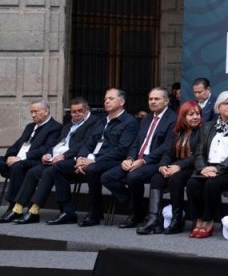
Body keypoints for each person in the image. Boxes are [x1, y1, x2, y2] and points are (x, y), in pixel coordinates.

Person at [57, 88, 139, 228]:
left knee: (93, 169)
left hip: (113, 160)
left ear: (122, 102)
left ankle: (95, 212)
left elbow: (121, 149)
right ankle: (67, 212)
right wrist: (80, 158)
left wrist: (93, 160)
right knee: (59, 167)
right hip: (91, 159)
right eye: (106, 98)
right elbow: (88, 142)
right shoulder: (101, 121)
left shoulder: (129, 122)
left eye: (111, 98)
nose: (106, 101)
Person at [101, 87, 174, 228]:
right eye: (151, 99)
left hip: (155, 161)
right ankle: (140, 209)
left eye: (157, 99)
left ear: (166, 101)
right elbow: (136, 142)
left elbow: (167, 146)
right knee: (107, 177)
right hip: (137, 159)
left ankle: (135, 214)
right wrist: (130, 158)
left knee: (133, 177)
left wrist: (144, 160)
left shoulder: (172, 119)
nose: (153, 102)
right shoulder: (146, 118)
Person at [185, 90, 228, 237]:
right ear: (218, 107)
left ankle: (209, 220)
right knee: (192, 184)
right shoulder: (208, 126)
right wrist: (202, 168)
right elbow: (199, 151)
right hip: (207, 167)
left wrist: (218, 169)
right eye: (226, 103)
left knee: (211, 184)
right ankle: (199, 219)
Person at [137, 100, 203, 235]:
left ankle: (177, 219)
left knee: (175, 179)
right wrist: (162, 165)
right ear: (183, 117)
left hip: (193, 166)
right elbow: (168, 153)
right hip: (176, 165)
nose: (195, 117)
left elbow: (199, 154)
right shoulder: (177, 132)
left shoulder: (203, 131)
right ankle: (153, 218)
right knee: (156, 178)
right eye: (191, 114)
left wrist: (178, 166)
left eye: (197, 114)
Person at [0, 100, 61, 222]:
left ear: (46, 111)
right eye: (31, 112)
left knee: (17, 166)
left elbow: (46, 148)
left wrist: (22, 157)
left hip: (37, 161)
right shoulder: (30, 126)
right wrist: (9, 156)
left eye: (36, 112)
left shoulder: (55, 127)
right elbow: (17, 144)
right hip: (18, 159)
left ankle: (13, 207)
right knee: (11, 164)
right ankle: (16, 206)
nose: (33, 115)